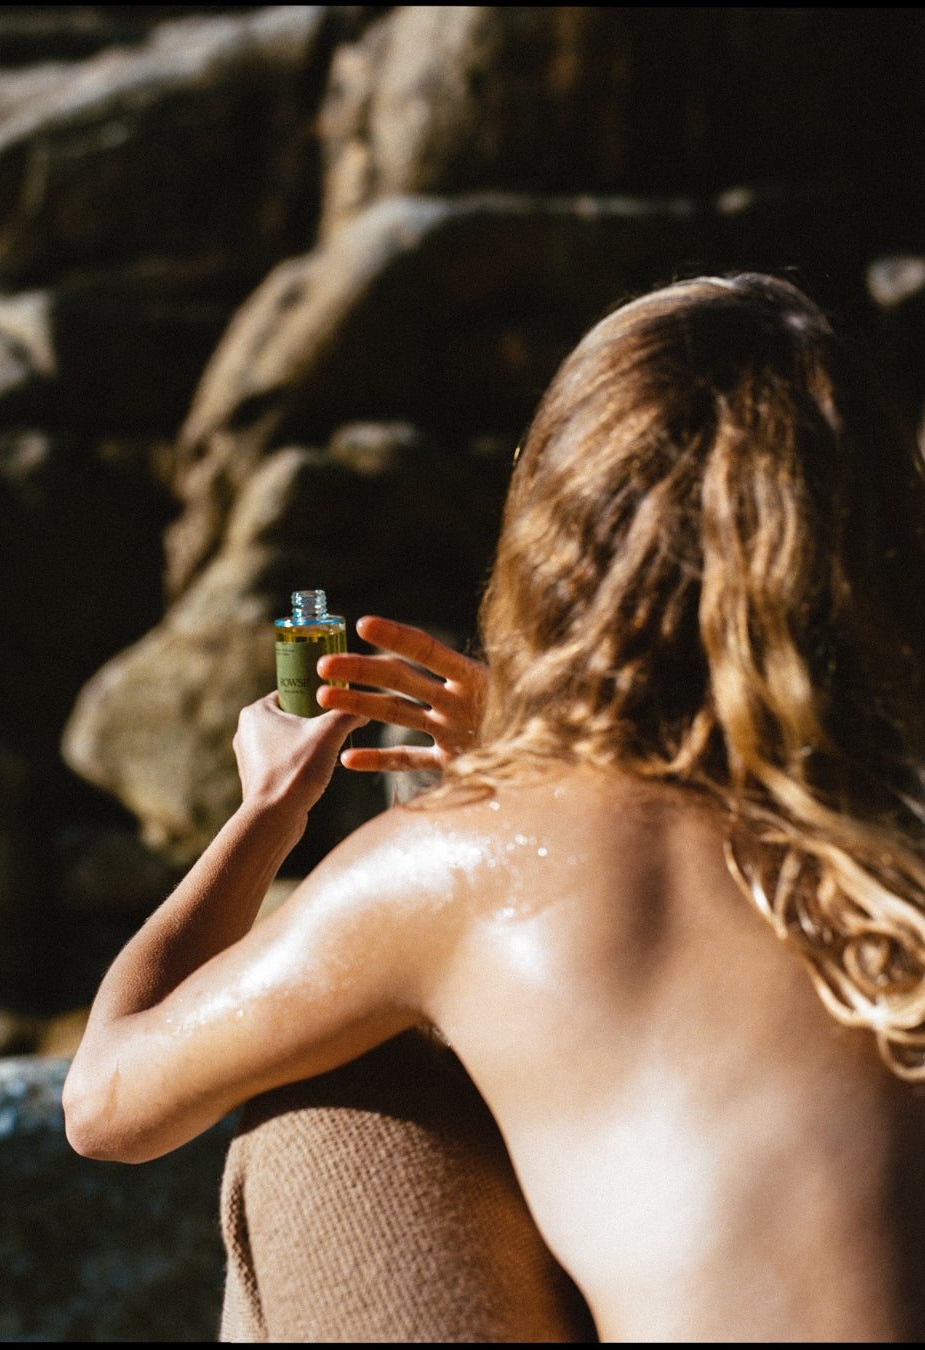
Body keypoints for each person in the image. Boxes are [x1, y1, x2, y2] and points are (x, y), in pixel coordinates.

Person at [64, 272, 925, 1340]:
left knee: (335, 1086)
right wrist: (563, 743)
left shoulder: (462, 871)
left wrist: (268, 812)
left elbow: (104, 1104)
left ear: (555, 529)